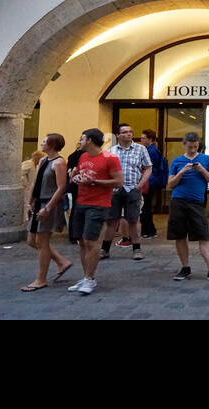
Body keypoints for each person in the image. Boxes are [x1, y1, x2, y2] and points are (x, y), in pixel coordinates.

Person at [167, 132, 209, 282]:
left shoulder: (206, 159)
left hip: (197, 202)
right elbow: (170, 184)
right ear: (184, 145)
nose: (192, 150)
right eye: (190, 147)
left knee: (203, 235)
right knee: (180, 235)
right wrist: (182, 172)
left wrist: (201, 169)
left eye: (195, 147)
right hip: (179, 200)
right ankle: (185, 267)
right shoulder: (177, 161)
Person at [66, 128, 122, 295]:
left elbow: (119, 182)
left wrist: (95, 181)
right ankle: (85, 277)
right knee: (81, 242)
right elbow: (81, 177)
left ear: (89, 140)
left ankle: (90, 279)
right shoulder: (83, 157)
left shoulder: (110, 158)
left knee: (91, 241)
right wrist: (75, 177)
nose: (80, 141)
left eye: (82, 138)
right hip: (81, 201)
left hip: (98, 204)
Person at [21, 133, 72, 291]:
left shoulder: (59, 163)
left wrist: (48, 207)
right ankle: (62, 261)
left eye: (45, 141)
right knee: (31, 240)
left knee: (41, 242)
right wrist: (29, 200)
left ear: (52, 145)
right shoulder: (43, 160)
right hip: (38, 202)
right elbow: (36, 181)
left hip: (48, 203)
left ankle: (41, 279)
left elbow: (61, 187)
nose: (42, 143)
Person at [99, 123, 151, 261]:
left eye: (130, 131)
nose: (129, 134)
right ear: (118, 135)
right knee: (111, 220)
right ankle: (104, 249)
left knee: (133, 220)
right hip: (115, 190)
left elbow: (148, 168)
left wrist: (140, 185)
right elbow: (105, 169)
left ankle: (137, 249)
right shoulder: (112, 151)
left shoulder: (140, 149)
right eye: (125, 132)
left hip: (132, 188)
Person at [138, 129, 166, 240]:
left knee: (145, 206)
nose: (141, 140)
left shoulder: (150, 151)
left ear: (150, 139)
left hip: (149, 182)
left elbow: (145, 166)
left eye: (143, 138)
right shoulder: (152, 150)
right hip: (151, 181)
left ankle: (148, 230)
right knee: (146, 206)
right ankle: (148, 230)